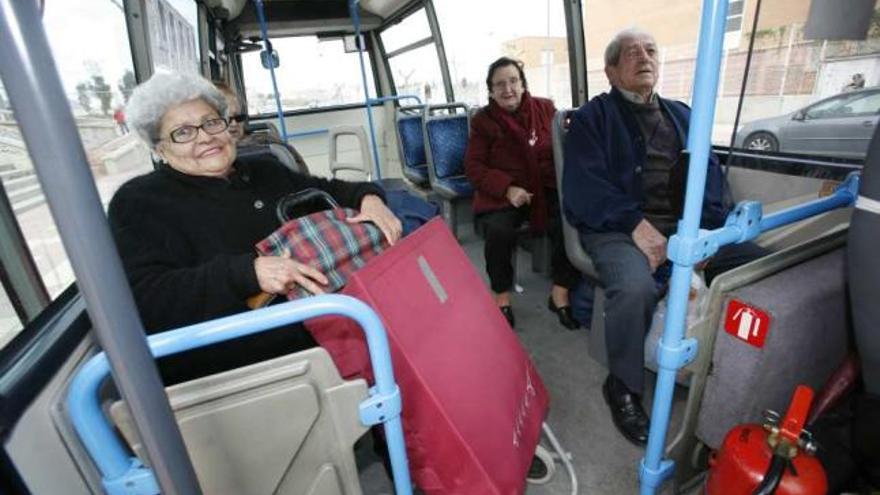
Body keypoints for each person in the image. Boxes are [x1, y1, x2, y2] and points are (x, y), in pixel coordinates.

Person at [109, 71, 402, 384]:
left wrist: (369, 198)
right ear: (159, 149)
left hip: (321, 322)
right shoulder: (138, 202)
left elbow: (330, 189)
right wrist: (247, 274)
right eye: (183, 132)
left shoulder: (265, 169)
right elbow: (146, 300)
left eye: (211, 122)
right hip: (242, 363)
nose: (205, 136)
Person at [563, 29, 768, 446]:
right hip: (618, 228)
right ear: (611, 70)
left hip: (685, 227)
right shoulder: (591, 119)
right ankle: (622, 385)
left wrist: (707, 234)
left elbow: (709, 178)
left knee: (758, 264)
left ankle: (733, 373)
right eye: (632, 52)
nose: (644, 57)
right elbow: (584, 190)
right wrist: (637, 226)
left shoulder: (684, 115)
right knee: (635, 285)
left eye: (651, 50)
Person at [465, 57, 580, 330]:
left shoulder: (546, 108)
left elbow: (563, 149)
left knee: (572, 221)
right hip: (504, 193)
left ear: (523, 83)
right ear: (491, 91)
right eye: (500, 84)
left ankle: (559, 293)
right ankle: (502, 297)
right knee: (499, 232)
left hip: (545, 187)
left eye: (513, 81)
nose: (508, 89)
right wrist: (507, 188)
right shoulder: (483, 121)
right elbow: (473, 166)